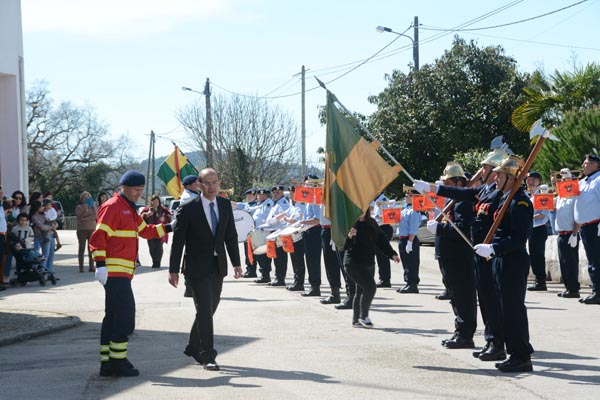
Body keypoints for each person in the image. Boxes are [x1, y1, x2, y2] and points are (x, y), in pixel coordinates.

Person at [89, 170, 172, 377]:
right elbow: (98, 237)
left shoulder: (129, 208)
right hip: (114, 272)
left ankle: (107, 363)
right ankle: (118, 362)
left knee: (113, 317)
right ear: (124, 187)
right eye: (136, 190)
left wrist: (170, 227)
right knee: (125, 318)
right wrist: (100, 264)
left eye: (141, 190)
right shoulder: (113, 207)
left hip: (121, 273)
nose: (139, 194)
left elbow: (146, 231)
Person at [169, 168, 242, 371]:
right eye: (207, 183)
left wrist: (236, 263)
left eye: (214, 182)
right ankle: (207, 355)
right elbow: (178, 242)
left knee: (210, 308)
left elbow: (231, 236)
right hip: (196, 267)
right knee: (204, 310)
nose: (211, 187)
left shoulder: (225, 205)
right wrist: (173, 269)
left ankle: (193, 346)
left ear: (219, 183)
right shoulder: (188, 208)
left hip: (217, 265)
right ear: (199, 185)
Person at [474, 155, 534, 373]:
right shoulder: (504, 198)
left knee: (513, 310)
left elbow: (518, 238)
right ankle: (514, 352)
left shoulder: (520, 202)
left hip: (513, 261)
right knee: (504, 310)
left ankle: (521, 356)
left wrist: (494, 248)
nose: (496, 177)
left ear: (511, 178)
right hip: (501, 260)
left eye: (500, 174)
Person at [423, 162, 477, 350]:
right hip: (447, 254)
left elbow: (462, 229)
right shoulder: (451, 200)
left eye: (448, 183)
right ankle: (460, 330)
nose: (445, 187)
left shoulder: (463, 202)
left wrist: (440, 228)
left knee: (463, 296)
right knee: (454, 295)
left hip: (459, 255)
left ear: (458, 183)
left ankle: (465, 334)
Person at [344, 210, 400, 328]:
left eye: (363, 209)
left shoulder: (372, 223)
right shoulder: (349, 223)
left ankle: (356, 320)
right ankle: (363, 317)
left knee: (361, 290)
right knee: (370, 288)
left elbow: (381, 240)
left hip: (368, 263)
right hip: (353, 263)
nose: (361, 211)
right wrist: (349, 236)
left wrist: (392, 254)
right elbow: (343, 246)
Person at [574, 153, 600, 305]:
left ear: (595, 165)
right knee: (592, 260)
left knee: (596, 260)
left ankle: (598, 292)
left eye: (586, 163)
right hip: (585, 227)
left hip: (595, 225)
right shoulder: (583, 182)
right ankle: (596, 290)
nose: (583, 165)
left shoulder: (598, 180)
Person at [554, 168, 580, 298]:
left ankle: (574, 289)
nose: (564, 181)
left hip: (570, 233)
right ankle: (568, 287)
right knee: (563, 263)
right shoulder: (560, 197)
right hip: (561, 233)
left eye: (567, 179)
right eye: (562, 179)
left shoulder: (575, 196)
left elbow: (577, 216)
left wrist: (575, 233)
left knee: (571, 263)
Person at [525, 171, 550, 291]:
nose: (528, 182)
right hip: (531, 228)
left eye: (531, 180)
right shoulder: (529, 196)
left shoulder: (542, 195)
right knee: (533, 255)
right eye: (527, 180)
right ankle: (537, 280)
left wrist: (527, 217)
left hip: (539, 228)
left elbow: (543, 214)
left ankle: (541, 281)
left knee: (538, 255)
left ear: (537, 181)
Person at [395, 189, 422, 294]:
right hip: (403, 239)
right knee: (406, 262)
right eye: (406, 195)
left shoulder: (414, 211)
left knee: (412, 263)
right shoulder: (405, 209)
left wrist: (410, 242)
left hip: (409, 239)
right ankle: (408, 282)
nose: (406, 196)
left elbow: (413, 228)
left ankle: (413, 284)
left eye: (409, 195)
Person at [140, 195, 172, 268]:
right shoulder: (147, 209)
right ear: (151, 202)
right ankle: (154, 260)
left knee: (159, 247)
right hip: (149, 230)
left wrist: (164, 218)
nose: (155, 203)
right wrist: (147, 215)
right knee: (152, 247)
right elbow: (140, 218)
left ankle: (157, 262)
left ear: (159, 202)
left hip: (160, 230)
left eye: (156, 201)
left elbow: (170, 217)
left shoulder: (163, 209)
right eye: (153, 201)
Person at [250, 188, 274, 283]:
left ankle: (265, 275)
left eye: (260, 195)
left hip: (264, 232)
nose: (258, 196)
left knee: (264, 255)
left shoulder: (268, 204)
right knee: (260, 254)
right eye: (258, 195)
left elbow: (267, 218)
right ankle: (263, 274)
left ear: (265, 196)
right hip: (258, 232)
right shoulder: (261, 204)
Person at [372, 193, 395, 288]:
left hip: (384, 228)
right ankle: (382, 278)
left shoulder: (384, 200)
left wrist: (377, 218)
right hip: (377, 228)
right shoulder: (376, 201)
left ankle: (385, 280)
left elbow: (389, 216)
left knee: (383, 256)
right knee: (379, 256)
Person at [30, 200, 56, 279]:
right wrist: (51, 227)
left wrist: (52, 225)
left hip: (49, 235)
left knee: (49, 255)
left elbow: (50, 222)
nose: (43, 208)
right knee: (44, 255)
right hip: (42, 237)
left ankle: (49, 272)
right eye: (41, 206)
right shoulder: (34, 217)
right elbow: (41, 226)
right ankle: (42, 272)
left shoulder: (43, 215)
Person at [236, 188, 258, 278]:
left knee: (254, 252)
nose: (248, 197)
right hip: (246, 232)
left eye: (250, 196)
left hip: (255, 232)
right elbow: (234, 204)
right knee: (247, 252)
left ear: (255, 196)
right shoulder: (245, 205)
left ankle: (252, 270)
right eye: (247, 196)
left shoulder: (258, 205)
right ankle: (249, 269)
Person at [75, 191, 98, 272]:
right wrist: (84, 211)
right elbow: (80, 218)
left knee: (91, 249)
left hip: (92, 228)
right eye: (85, 197)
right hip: (82, 230)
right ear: (81, 199)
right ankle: (81, 267)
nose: (86, 198)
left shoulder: (93, 207)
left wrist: (93, 206)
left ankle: (91, 266)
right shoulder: (79, 207)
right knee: (82, 248)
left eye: (88, 197)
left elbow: (95, 215)